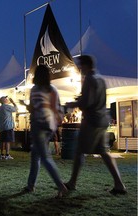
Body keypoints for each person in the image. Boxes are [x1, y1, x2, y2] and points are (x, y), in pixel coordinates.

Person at [64, 55, 126, 195]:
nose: (79, 68)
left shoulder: (89, 79)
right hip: (102, 119)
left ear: (86, 65)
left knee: (80, 150)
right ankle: (119, 184)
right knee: (104, 152)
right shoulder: (100, 79)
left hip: (92, 120)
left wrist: (73, 104)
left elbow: (87, 103)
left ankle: (72, 183)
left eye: (80, 65)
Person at [22, 65, 67, 198]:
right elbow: (56, 107)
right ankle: (30, 185)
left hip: (38, 124)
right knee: (35, 155)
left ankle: (61, 186)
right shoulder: (52, 89)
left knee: (45, 157)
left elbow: (33, 108)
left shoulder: (35, 89)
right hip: (49, 125)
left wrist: (27, 106)